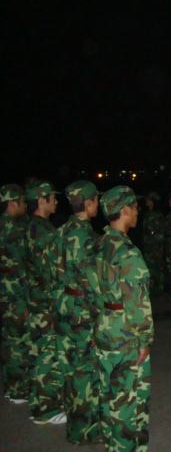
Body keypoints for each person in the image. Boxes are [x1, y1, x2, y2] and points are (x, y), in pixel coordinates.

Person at [92, 186, 154, 452]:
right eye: (135, 207)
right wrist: (144, 339)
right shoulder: (128, 252)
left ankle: (112, 446)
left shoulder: (99, 244)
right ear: (125, 210)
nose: (137, 212)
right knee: (129, 401)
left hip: (104, 326)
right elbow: (137, 303)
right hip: (126, 333)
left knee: (108, 396)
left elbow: (91, 289)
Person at [50, 180, 101, 444]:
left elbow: (53, 270)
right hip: (82, 310)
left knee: (69, 368)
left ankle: (75, 426)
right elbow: (92, 281)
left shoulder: (61, 230)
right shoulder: (86, 236)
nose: (98, 204)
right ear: (89, 203)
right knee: (85, 369)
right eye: (96, 200)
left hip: (64, 304)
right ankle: (86, 430)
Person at [24, 181, 66, 424]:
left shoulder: (32, 226)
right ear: (41, 201)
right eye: (52, 197)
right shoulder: (43, 231)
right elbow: (53, 270)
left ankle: (39, 401)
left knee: (39, 351)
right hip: (46, 302)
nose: (56, 201)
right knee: (47, 355)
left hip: (36, 299)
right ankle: (44, 410)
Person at [0, 184, 30, 405]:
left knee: (8, 340)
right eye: (22, 201)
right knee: (18, 342)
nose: (25, 205)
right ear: (12, 203)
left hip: (4, 293)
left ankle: (10, 385)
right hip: (14, 294)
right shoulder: (13, 231)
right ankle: (18, 390)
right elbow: (21, 268)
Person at [141, 192, 165, 297]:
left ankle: (159, 288)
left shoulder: (158, 215)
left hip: (156, 245)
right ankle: (151, 287)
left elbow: (161, 231)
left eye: (149, 199)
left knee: (157, 267)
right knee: (149, 266)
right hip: (148, 244)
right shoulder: (147, 214)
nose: (147, 201)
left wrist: (154, 235)